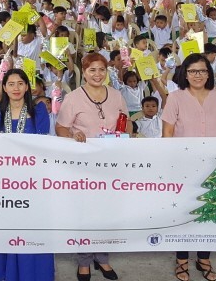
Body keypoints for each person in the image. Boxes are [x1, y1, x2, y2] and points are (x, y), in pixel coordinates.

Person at [56, 53, 127, 281]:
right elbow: (61, 129)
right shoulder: (74, 98)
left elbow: (126, 122)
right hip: (83, 166)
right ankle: (84, 260)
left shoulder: (116, 95)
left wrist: (124, 131)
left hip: (110, 164)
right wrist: (74, 134)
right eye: (92, 70)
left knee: (106, 211)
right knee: (86, 212)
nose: (97, 74)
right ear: (84, 73)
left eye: (102, 70)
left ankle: (102, 257)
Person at [161, 53, 216, 281]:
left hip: (213, 166)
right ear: (185, 74)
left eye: (202, 71)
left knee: (209, 212)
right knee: (185, 212)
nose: (197, 75)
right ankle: (182, 260)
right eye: (192, 71)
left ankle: (204, 258)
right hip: (183, 165)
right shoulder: (175, 98)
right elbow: (167, 132)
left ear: (209, 73)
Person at [0, 69, 53, 281]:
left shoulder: (39, 110)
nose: (16, 88)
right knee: (5, 229)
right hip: (3, 183)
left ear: (27, 86)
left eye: (20, 83)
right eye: (11, 84)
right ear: (3, 88)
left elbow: (44, 145)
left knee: (31, 230)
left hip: (32, 182)